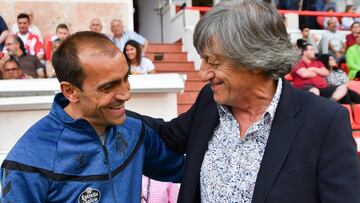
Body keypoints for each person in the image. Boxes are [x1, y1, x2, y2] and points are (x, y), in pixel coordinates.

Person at [128, 1, 360, 202]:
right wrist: (110, 107)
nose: (203, 73)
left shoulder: (324, 121)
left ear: (257, 60)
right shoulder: (210, 102)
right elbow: (166, 135)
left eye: (214, 61)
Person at [0, 31, 184, 202]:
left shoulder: (135, 130)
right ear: (70, 91)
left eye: (125, 78)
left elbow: (187, 170)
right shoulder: (29, 160)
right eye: (108, 87)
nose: (125, 94)